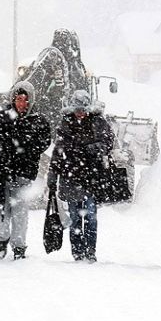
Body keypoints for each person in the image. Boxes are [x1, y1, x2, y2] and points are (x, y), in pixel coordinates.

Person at [47, 90, 114, 263]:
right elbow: (58, 152)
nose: (80, 113)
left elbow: (108, 142)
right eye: (77, 109)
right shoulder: (65, 124)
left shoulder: (99, 122)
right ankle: (77, 252)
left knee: (90, 217)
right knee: (75, 217)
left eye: (83, 109)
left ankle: (90, 251)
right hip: (71, 177)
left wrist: (94, 148)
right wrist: (52, 176)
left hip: (90, 177)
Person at [0, 81, 51, 260]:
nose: (22, 104)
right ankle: (2, 238)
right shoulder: (1, 118)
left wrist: (24, 147)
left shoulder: (39, 121)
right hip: (1, 175)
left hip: (24, 175)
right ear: (13, 99)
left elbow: (44, 142)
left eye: (26, 99)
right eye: (19, 99)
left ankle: (19, 246)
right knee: (1, 212)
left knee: (20, 213)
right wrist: (3, 148)